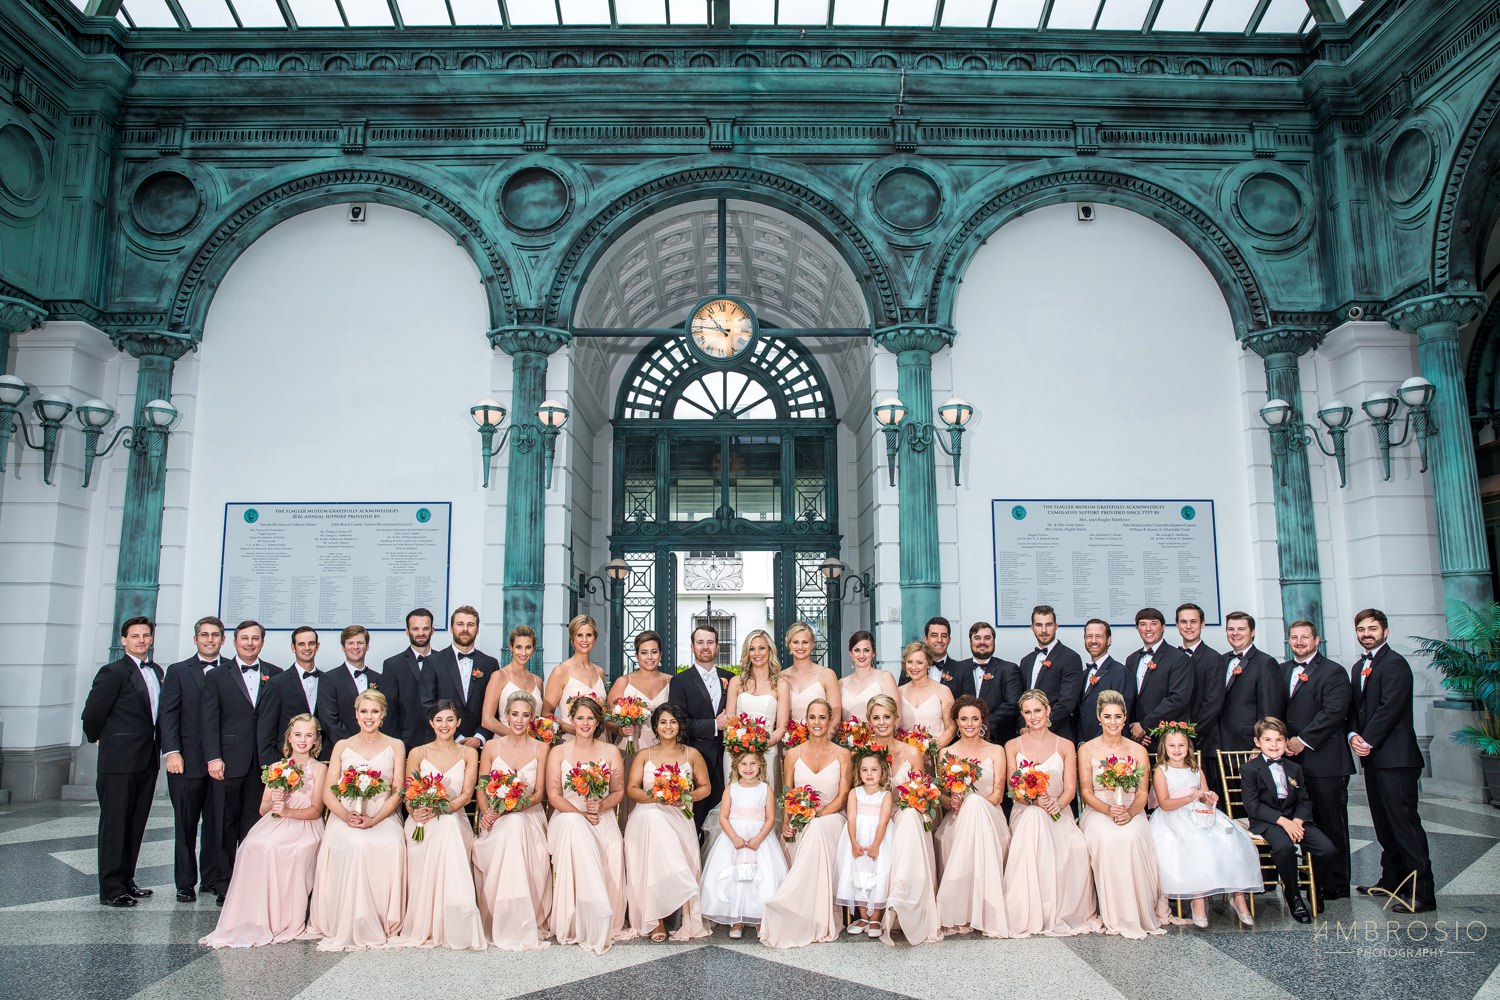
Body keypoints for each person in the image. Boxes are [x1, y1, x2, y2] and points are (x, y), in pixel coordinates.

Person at [200, 715, 326, 947]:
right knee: (253, 845)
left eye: (308, 735)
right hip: (276, 822)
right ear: (289, 737)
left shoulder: (318, 769)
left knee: (291, 850)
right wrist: (276, 801)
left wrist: (288, 810)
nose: (302, 740)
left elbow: (316, 811)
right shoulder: (277, 768)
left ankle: (284, 917)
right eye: (298, 734)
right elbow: (262, 808)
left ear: (316, 740)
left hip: (304, 824)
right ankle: (255, 914)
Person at [1346, 608, 1435, 913]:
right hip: (1374, 758)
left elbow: (1390, 709)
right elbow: (1355, 709)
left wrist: (1366, 740)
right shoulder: (1360, 667)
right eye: (1361, 629)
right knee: (1384, 824)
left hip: (1396, 759)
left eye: (1372, 628)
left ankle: (1423, 893)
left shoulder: (1395, 664)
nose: (1366, 633)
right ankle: (1392, 880)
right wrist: (1352, 736)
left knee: (1405, 825)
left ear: (1385, 631)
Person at [305, 689, 407, 950]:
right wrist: (345, 815)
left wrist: (374, 820)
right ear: (356, 714)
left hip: (382, 813)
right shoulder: (343, 745)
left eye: (374, 711)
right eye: (364, 711)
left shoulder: (396, 745)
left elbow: (398, 791)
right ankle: (342, 917)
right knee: (351, 843)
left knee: (392, 843)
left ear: (383, 714)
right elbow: (329, 790)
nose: (369, 716)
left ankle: (383, 918)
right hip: (346, 812)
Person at [81, 616, 163, 909]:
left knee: (135, 823)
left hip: (147, 759)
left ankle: (127, 880)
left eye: (146, 635)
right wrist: (100, 737)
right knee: (115, 825)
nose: (141, 640)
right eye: (135, 636)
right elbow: (92, 713)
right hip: (119, 761)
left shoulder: (156, 671)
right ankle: (111, 889)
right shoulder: (112, 672)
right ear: (124, 640)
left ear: (151, 639)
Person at [1003, 689, 1098, 937]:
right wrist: (1033, 802)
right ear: (1022, 715)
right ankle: (1030, 910)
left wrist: (1056, 805)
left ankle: (1055, 910)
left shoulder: (1065, 745)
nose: (1033, 716)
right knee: (1034, 819)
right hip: (1025, 811)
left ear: (1048, 711)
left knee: (1075, 846)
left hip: (1059, 811)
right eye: (1027, 712)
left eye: (1037, 710)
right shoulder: (1012, 746)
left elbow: (1070, 789)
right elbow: (1013, 789)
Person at [392, 700, 486, 950]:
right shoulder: (418, 753)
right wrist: (416, 811)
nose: (444, 725)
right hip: (421, 818)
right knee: (439, 827)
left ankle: (456, 915)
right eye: (439, 720)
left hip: (454, 817)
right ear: (431, 723)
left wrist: (441, 809)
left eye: (449, 720)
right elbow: (409, 792)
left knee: (447, 826)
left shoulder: (469, 753)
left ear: (458, 723)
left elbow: (467, 795)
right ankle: (430, 919)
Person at [759, 698, 852, 948]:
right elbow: (788, 794)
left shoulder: (844, 754)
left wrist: (817, 815)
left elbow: (843, 796)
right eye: (812, 717)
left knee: (818, 828)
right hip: (801, 819)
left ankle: (793, 901)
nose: (817, 722)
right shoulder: (792, 754)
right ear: (806, 721)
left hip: (832, 818)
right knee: (807, 830)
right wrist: (787, 823)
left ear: (830, 720)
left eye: (822, 717)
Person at [202, 619, 283, 905]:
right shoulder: (217, 676)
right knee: (225, 823)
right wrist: (214, 757)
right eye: (245, 638)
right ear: (234, 641)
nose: (250, 643)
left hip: (263, 764)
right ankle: (224, 883)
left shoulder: (275, 674)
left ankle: (250, 880)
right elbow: (209, 721)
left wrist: (277, 763)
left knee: (256, 824)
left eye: (256, 638)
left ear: (262, 642)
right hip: (228, 762)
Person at [1078, 689, 1170, 938]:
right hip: (1098, 809)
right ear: (1099, 717)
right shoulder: (1087, 750)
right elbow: (1086, 791)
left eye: (1118, 717)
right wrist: (1108, 809)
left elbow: (1142, 794)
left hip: (1132, 809)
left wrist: (1129, 813)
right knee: (1108, 839)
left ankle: (1137, 912)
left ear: (1125, 718)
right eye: (1107, 717)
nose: (1113, 722)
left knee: (1131, 837)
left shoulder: (1137, 750)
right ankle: (1114, 913)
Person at [1148, 723, 1258, 928]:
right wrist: (1190, 797)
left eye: (1181, 745)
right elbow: (1164, 803)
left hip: (1200, 816)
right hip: (1173, 818)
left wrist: (1209, 798)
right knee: (1196, 845)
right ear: (1164, 747)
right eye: (1172, 746)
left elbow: (1205, 797)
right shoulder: (1161, 771)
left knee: (1229, 841)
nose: (1177, 750)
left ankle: (1238, 896)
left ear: (1188, 747)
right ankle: (1197, 899)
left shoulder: (1195, 769)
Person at [624, 702, 713, 942]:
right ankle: (656, 922)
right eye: (663, 722)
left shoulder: (691, 754)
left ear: (680, 725)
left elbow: (705, 788)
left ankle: (685, 912)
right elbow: (632, 790)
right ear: (655, 726)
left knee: (661, 827)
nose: (668, 726)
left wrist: (684, 796)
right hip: (648, 815)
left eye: (673, 721)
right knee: (652, 818)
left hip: (679, 813)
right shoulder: (644, 755)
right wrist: (656, 796)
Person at [547, 696, 629, 953]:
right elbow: (554, 795)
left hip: (600, 815)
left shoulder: (610, 751)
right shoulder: (558, 751)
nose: (584, 723)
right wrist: (581, 814)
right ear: (572, 720)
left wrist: (601, 806)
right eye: (580, 718)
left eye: (590, 718)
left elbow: (618, 791)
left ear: (597, 722)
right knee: (573, 824)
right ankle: (592, 911)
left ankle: (608, 914)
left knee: (614, 845)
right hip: (567, 816)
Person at [472, 690, 552, 951]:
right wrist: (487, 814)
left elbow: (539, 794)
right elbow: (482, 787)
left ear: (532, 718)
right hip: (495, 816)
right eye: (514, 714)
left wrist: (513, 807)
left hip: (528, 814)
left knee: (516, 827)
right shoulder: (492, 747)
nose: (519, 720)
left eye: (525, 715)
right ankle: (503, 913)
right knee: (508, 829)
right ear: (506, 716)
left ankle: (518, 917)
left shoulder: (542, 748)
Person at [159, 615, 231, 903]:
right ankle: (185, 882)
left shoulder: (231, 669)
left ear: (223, 639)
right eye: (204, 635)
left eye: (215, 635)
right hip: (185, 759)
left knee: (217, 823)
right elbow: (167, 713)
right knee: (186, 824)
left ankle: (212, 879)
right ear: (196, 639)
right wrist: (171, 751)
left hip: (220, 762)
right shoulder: (177, 671)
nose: (210, 639)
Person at [1282, 618, 1354, 900]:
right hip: (1291, 762)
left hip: (1325, 762)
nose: (1299, 642)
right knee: (1304, 822)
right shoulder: (1282, 670)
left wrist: (1302, 741)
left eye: (1304, 637)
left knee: (1330, 822)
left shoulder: (1333, 672)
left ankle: (1335, 884)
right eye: (1294, 637)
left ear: (1316, 640)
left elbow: (1334, 712)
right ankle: (1312, 878)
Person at [1242, 717, 1338, 922]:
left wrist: (1297, 821)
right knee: (1284, 848)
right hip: (1268, 821)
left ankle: (1315, 887)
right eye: (1267, 740)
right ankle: (1293, 894)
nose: (1274, 745)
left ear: (1286, 742)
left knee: (1327, 849)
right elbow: (1253, 806)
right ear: (1257, 742)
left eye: (1279, 740)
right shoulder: (1250, 769)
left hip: (1296, 820)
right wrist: (1283, 822)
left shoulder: (1295, 768)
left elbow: (1304, 800)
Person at [866, 693, 941, 946]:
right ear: (869, 723)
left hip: (906, 814)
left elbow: (923, 793)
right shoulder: (863, 753)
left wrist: (910, 804)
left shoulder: (911, 752)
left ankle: (901, 896)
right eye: (876, 718)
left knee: (909, 817)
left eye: (887, 717)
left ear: (897, 720)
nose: (882, 722)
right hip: (875, 817)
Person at [934, 695, 1011, 938]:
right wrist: (952, 802)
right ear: (956, 721)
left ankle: (979, 908)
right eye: (964, 719)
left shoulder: (997, 750)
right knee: (969, 808)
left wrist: (971, 805)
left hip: (990, 817)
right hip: (956, 820)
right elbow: (942, 798)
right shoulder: (946, 753)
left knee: (976, 801)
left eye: (974, 719)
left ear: (982, 721)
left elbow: (998, 794)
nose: (969, 724)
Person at [699, 751, 786, 938]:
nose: (748, 768)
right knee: (735, 878)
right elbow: (723, 816)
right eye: (744, 764)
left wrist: (759, 838)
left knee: (760, 877)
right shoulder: (731, 788)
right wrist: (734, 838)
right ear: (736, 767)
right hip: (734, 838)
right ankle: (735, 919)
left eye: (753, 764)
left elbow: (770, 818)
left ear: (761, 766)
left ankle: (759, 917)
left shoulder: (765, 789)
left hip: (759, 838)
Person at [1205, 611, 1283, 808]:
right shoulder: (1220, 660)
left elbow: (1270, 709)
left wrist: (1260, 744)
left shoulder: (1265, 663)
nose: (1235, 633)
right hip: (1219, 743)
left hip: (1246, 745)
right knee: (1222, 803)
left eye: (1241, 629)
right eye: (1231, 629)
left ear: (1253, 632)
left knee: (1245, 804)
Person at [668, 623, 735, 835]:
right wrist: (715, 725)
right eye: (700, 643)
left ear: (717, 646)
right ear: (692, 647)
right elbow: (679, 723)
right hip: (695, 758)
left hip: (727, 759)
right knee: (694, 820)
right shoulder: (680, 681)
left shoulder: (732, 679)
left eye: (710, 642)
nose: (705, 647)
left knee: (725, 817)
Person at [420, 606, 498, 748]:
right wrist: (456, 736)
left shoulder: (490, 664)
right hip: (442, 743)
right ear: (451, 628)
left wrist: (480, 737)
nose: (465, 629)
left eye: (471, 625)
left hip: (479, 746)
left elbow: (495, 707)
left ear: (478, 629)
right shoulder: (432, 662)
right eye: (460, 624)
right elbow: (427, 705)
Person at [835, 752, 894, 937]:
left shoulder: (886, 795)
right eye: (864, 770)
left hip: (879, 838)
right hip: (857, 837)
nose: (869, 774)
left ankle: (875, 917)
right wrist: (853, 842)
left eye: (874, 769)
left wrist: (876, 845)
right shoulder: (854, 793)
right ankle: (863, 917)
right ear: (859, 773)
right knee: (858, 875)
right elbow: (851, 818)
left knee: (878, 873)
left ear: (882, 772)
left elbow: (883, 821)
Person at [724, 629, 790, 792]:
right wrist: (739, 745)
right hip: (735, 752)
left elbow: (781, 726)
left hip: (767, 751)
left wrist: (762, 744)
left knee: (764, 801)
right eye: (752, 649)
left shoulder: (781, 685)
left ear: (770, 650)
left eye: (761, 648)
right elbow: (729, 720)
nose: (757, 653)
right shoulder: (736, 682)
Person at [1124, 607, 1192, 748]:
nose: (1148, 629)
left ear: (1163, 627)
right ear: (1137, 628)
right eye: (1143, 624)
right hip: (1137, 740)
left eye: (1154, 623)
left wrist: (1145, 726)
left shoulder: (1179, 658)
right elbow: (1129, 699)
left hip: (1167, 739)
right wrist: (1134, 730)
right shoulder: (1131, 659)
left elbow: (1178, 699)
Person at [258, 627, 327, 765]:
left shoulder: (328, 680)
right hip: (285, 761)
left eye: (311, 643)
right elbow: (266, 730)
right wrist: (273, 766)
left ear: (317, 646)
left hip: (321, 760)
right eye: (301, 644)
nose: (307, 648)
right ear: (293, 647)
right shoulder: (277, 683)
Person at [1015, 605, 1084, 742]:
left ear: (1056, 626)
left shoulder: (1070, 658)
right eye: (1039, 625)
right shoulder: (1026, 661)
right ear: (1032, 627)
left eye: (1049, 625)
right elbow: (1020, 699)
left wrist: (1038, 725)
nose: (1044, 630)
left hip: (1058, 734)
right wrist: (1022, 726)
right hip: (1027, 735)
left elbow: (1067, 702)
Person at [602, 630, 673, 755]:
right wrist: (620, 730)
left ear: (660, 654)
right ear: (637, 656)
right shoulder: (623, 682)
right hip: (630, 747)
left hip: (665, 748)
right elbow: (608, 720)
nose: (649, 657)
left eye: (654, 652)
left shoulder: (672, 682)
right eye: (644, 652)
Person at [315, 625, 383, 746]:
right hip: (340, 747)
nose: (355, 647)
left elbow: (384, 715)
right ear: (343, 647)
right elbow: (328, 719)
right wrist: (353, 744)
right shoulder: (329, 679)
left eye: (360, 643)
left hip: (375, 747)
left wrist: (373, 743)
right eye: (350, 643)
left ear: (367, 646)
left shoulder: (379, 678)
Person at [543, 614, 608, 739]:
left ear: (595, 639)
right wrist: (570, 729)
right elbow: (546, 713)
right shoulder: (561, 671)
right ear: (572, 639)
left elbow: (603, 716)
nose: (584, 640)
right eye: (579, 635)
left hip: (599, 740)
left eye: (589, 635)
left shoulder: (599, 672)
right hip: (571, 739)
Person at [952, 621, 1017, 742]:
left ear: (994, 642)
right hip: (961, 739)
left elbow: (1011, 705)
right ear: (970, 642)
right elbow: (952, 702)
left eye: (987, 638)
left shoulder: (1009, 669)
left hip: (998, 739)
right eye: (977, 638)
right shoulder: (957, 668)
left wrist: (982, 725)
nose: (982, 642)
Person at [382, 608, 436, 750]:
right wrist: (395, 744)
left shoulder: (444, 661)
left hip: (440, 740)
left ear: (432, 630)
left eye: (425, 628)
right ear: (407, 631)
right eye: (415, 629)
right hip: (406, 742)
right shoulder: (392, 665)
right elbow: (389, 710)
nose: (420, 633)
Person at [480, 625, 546, 739]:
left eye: (528, 647)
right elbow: (487, 720)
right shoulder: (499, 676)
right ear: (511, 647)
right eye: (519, 647)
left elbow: (541, 718)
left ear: (533, 648)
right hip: (504, 744)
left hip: (533, 747)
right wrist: (518, 736)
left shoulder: (538, 681)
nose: (523, 652)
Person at [1074, 619, 1133, 743]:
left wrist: (1097, 744)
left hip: (1111, 746)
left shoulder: (1121, 672)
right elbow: (1080, 714)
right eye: (1089, 636)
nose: (1093, 641)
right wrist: (1081, 742)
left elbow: (1122, 713)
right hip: (1084, 746)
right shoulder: (1083, 675)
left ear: (1109, 640)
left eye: (1099, 636)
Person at [1177, 601, 1223, 747]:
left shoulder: (1214, 659)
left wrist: (1192, 733)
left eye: (1193, 622)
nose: (1188, 626)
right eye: (1184, 622)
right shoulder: (1172, 657)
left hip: (1203, 739)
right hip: (1173, 738)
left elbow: (1213, 703)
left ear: (1202, 624)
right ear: (1177, 625)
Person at [899, 641, 955, 748]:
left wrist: (932, 750)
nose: (914, 667)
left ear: (928, 664)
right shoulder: (898, 692)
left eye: (919, 662)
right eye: (910, 662)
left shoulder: (942, 691)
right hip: (906, 757)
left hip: (934, 756)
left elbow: (952, 727)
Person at [783, 621, 842, 723]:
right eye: (795, 642)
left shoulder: (828, 675)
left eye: (805, 642)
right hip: (790, 738)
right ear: (789, 645)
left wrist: (821, 738)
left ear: (812, 644)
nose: (800, 647)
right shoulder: (781, 677)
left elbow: (835, 717)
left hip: (821, 736)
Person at [839, 630, 898, 723]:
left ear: (873, 653)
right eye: (857, 650)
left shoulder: (885, 678)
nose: (861, 655)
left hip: (877, 736)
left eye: (866, 650)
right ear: (850, 653)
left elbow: (897, 718)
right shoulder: (841, 683)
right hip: (846, 737)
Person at [901, 617, 957, 690]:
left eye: (944, 636)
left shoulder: (961, 670)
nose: (939, 640)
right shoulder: (910, 669)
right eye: (934, 635)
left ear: (949, 640)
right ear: (926, 639)